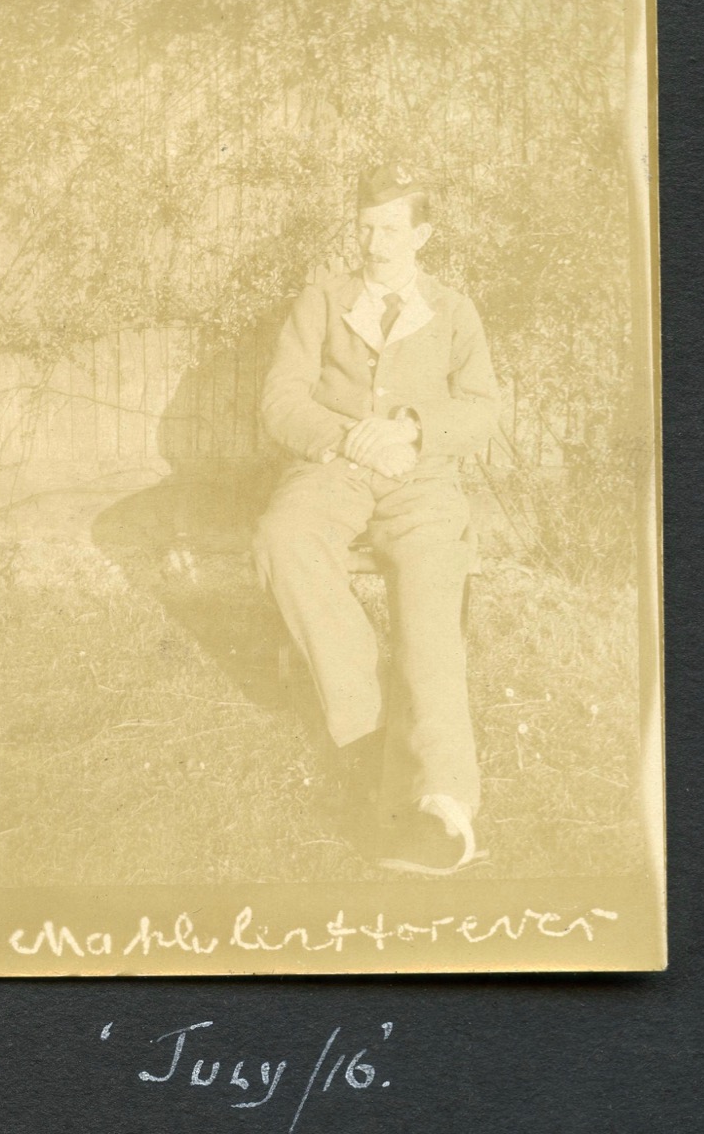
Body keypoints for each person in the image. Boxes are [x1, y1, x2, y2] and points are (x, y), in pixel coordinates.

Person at [253, 162, 500, 874]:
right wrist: (347, 438)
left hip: (421, 480)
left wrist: (414, 431)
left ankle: (444, 808)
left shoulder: (453, 310)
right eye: (365, 227)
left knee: (429, 603)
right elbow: (280, 400)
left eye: (391, 229)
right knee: (281, 538)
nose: (374, 243)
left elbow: (482, 409)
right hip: (333, 469)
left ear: (422, 235)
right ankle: (368, 725)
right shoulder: (322, 301)